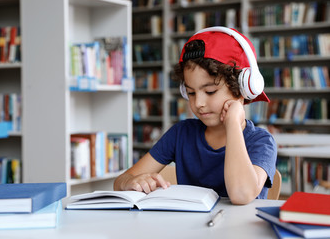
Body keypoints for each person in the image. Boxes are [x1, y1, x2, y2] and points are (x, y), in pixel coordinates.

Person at [114, 26, 277, 205]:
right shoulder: (181, 134)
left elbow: (241, 194)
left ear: (242, 89)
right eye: (191, 93)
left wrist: (232, 123)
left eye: (210, 91)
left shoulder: (261, 142)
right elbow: (120, 181)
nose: (198, 103)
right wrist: (130, 182)